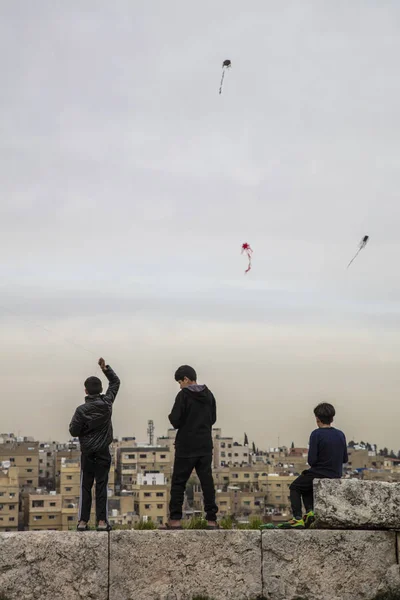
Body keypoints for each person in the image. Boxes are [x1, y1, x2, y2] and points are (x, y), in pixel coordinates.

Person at [264, 402, 348, 530]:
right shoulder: (341, 434)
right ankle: (310, 513)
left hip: (320, 472)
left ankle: (297, 518)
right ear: (332, 418)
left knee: (295, 487)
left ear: (317, 418)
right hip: (336, 474)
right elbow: (344, 459)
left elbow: (312, 461)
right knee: (306, 482)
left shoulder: (316, 434)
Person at [69, 358, 120, 531]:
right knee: (102, 487)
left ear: (85, 390)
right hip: (103, 452)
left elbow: (73, 431)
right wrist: (105, 368)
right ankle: (101, 522)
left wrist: (85, 427)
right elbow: (116, 382)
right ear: (100, 390)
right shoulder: (107, 403)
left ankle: (82, 522)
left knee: (85, 487)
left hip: (88, 453)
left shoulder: (81, 410)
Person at [168, 365, 218, 529]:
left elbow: (175, 420)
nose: (180, 385)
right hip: (204, 445)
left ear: (186, 379)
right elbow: (213, 419)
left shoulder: (183, 395)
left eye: (180, 382)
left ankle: (175, 520)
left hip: (186, 446)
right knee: (207, 482)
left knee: (178, 482)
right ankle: (211, 520)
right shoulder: (209, 395)